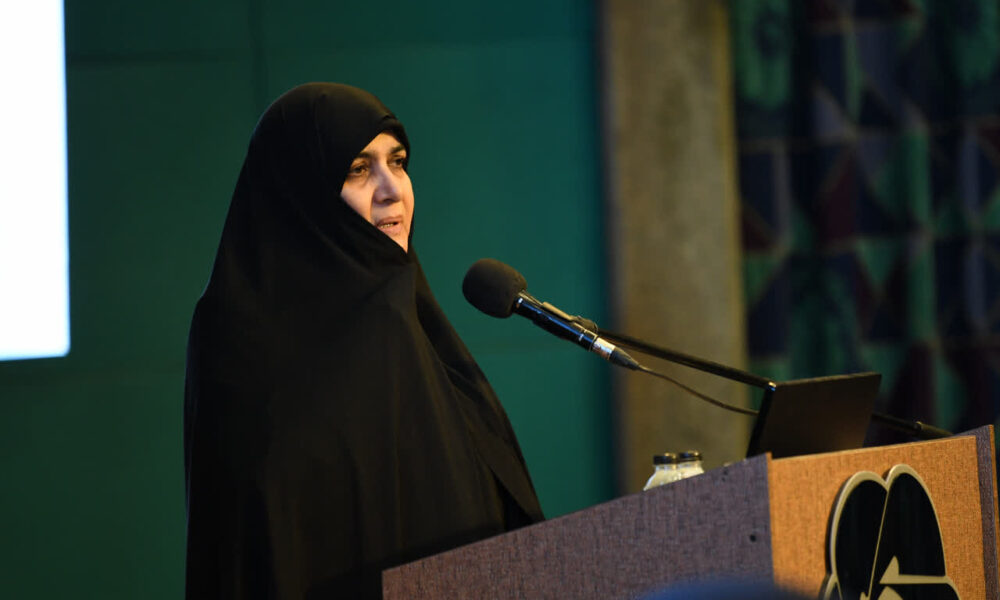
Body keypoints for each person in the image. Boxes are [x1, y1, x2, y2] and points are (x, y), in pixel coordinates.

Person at [183, 83, 543, 599]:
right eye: (358, 169)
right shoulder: (242, 343)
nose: (391, 189)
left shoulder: (417, 328)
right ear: (300, 193)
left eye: (397, 162)